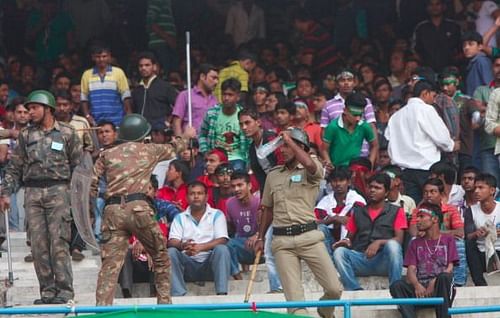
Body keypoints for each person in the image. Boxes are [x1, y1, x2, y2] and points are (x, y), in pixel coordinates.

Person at [0, 90, 83, 304]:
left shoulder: (67, 133)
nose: (30, 112)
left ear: (48, 108)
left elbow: (79, 166)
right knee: (38, 245)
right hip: (33, 192)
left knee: (59, 242)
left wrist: (80, 198)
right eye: (28, 109)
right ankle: (47, 291)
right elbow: (14, 167)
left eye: (34, 108)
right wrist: (6, 192)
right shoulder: (26, 135)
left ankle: (64, 291)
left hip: (59, 191)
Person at [254, 128, 342, 318]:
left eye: (287, 145)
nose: (282, 150)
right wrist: (260, 237)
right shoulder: (273, 175)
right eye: (281, 146)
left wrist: (290, 140)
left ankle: (325, 311)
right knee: (295, 304)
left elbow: (310, 165)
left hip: (309, 236)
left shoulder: (313, 166)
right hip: (282, 242)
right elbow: (267, 209)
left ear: (300, 146)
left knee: (334, 289)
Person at [91, 114, 178, 305]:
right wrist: (184, 136)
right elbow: (176, 148)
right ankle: (164, 304)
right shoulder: (150, 150)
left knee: (110, 265)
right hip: (139, 209)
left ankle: (102, 309)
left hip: (112, 211)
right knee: (160, 256)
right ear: (143, 134)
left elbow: (92, 182)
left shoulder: (106, 154)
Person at [385, 80, 457, 203]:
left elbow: (388, 139)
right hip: (426, 168)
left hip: (404, 171)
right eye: (433, 96)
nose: (434, 100)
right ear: (425, 93)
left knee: (413, 208)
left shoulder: (396, 116)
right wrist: (452, 145)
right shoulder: (426, 110)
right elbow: (442, 138)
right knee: (431, 206)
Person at [332, 173, 406, 291]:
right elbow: (349, 237)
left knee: (393, 245)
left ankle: (396, 288)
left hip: (384, 261)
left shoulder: (396, 211)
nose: (372, 190)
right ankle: (354, 289)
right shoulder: (357, 212)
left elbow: (399, 239)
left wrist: (379, 242)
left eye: (377, 188)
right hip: (362, 258)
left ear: (386, 192)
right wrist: (345, 242)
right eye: (370, 187)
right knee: (339, 252)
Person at [390, 202, 458, 318]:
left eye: (422, 216)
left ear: (435, 219)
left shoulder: (448, 240)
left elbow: (450, 268)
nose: (418, 220)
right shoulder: (415, 243)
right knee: (397, 285)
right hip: (420, 292)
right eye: (417, 217)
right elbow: (411, 270)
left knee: (444, 278)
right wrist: (417, 285)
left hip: (439, 289)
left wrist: (434, 282)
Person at [167, 181, 231, 296]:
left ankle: (222, 293)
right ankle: (178, 295)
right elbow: (172, 241)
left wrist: (200, 248)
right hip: (188, 264)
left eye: (200, 193)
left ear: (206, 197)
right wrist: (184, 245)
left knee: (222, 249)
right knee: (171, 252)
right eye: (192, 194)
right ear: (187, 197)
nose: (196, 196)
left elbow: (222, 239)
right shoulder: (179, 218)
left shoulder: (217, 214)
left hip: (210, 266)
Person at [408, 178, 467, 287]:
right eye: (425, 192)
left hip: (445, 242)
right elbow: (413, 231)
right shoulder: (418, 211)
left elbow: (460, 232)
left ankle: (459, 282)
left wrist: (437, 233)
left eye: (433, 192)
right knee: (413, 241)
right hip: (425, 241)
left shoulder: (451, 209)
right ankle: (418, 281)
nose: (428, 195)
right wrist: (448, 232)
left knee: (459, 243)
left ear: (441, 194)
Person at [199, 78, 250, 171]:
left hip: (237, 158)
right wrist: (205, 151)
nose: (226, 98)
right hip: (216, 158)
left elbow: (250, 140)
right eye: (224, 94)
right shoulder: (212, 113)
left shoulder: (244, 116)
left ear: (238, 96)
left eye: (230, 95)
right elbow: (202, 134)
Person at [315, 167, 366, 257]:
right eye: (334, 181)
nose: (338, 184)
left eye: (342, 180)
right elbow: (315, 222)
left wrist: (338, 219)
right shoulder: (325, 200)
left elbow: (360, 222)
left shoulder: (357, 200)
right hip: (330, 241)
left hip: (351, 242)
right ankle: (329, 260)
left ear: (349, 182)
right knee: (320, 229)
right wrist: (333, 219)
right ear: (330, 183)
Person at [80, 43, 132, 127]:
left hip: (117, 120)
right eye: (98, 57)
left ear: (109, 56)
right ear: (93, 57)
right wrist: (87, 116)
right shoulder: (87, 74)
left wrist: (128, 116)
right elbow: (84, 99)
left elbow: (125, 97)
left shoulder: (118, 72)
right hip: (96, 122)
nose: (101, 59)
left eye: (104, 56)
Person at [323, 92, 378, 169]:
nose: (358, 118)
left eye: (360, 115)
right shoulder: (333, 127)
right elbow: (324, 149)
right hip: (337, 169)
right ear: (345, 110)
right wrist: (329, 165)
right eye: (355, 115)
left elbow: (374, 145)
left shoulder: (364, 126)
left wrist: (369, 166)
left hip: (356, 169)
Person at [464, 173, 500, 286]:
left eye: (481, 188)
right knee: (468, 245)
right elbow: (468, 235)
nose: (476, 191)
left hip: (498, 248)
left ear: (492, 190)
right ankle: (480, 284)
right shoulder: (471, 210)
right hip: (481, 251)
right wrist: (477, 233)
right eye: (475, 188)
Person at [226, 172, 260, 279]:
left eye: (240, 185)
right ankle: (238, 278)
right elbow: (233, 228)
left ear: (249, 186)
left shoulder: (260, 202)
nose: (236, 189)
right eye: (233, 186)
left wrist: (258, 236)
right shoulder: (229, 203)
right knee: (226, 244)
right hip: (242, 244)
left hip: (261, 243)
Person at [411, 0, 461, 72]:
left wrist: (454, 62)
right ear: (427, 8)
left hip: (450, 72)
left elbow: (461, 48)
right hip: (427, 72)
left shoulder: (454, 26)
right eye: (431, 4)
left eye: (437, 4)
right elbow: (414, 50)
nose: (434, 7)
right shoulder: (421, 28)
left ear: (443, 6)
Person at [131, 51, 178, 126]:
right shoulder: (137, 90)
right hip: (141, 131)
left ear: (154, 67)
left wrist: (168, 121)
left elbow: (179, 105)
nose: (143, 68)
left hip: (160, 132)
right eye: (141, 66)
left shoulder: (165, 87)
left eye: (147, 65)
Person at [172, 64, 218, 136]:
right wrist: (180, 143)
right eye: (213, 78)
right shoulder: (185, 95)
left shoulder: (215, 100)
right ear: (202, 77)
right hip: (191, 143)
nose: (216, 82)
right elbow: (176, 122)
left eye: (217, 79)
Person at [463, 31, 494, 96]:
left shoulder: (482, 61)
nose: (466, 47)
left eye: (471, 44)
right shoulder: (471, 62)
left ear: (480, 46)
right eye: (464, 45)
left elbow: (490, 86)